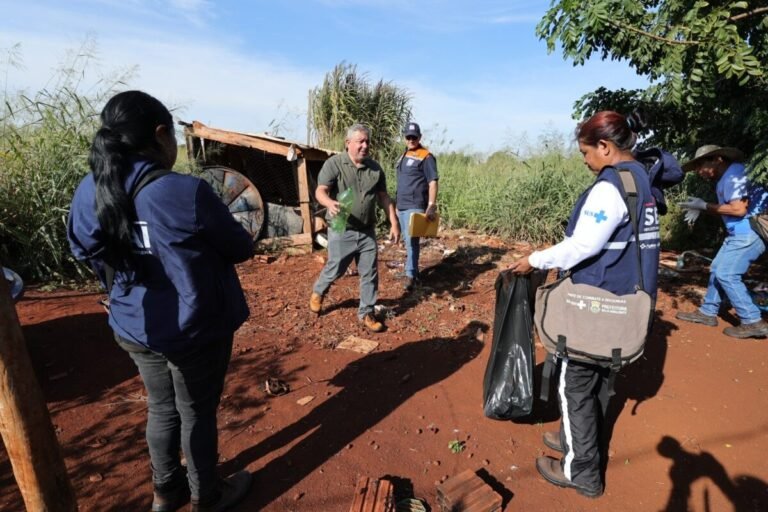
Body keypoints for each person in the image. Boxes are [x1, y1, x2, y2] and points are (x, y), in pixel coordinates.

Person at [67, 90, 253, 512]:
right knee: (196, 413)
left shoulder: (88, 190)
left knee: (161, 407)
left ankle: (166, 492)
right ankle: (207, 495)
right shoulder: (183, 192)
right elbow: (240, 247)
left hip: (135, 325)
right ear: (159, 135)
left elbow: (84, 248)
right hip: (195, 329)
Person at [509, 111, 661, 498]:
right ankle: (573, 437)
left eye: (586, 151)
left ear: (605, 147)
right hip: (626, 297)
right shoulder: (641, 177)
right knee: (594, 376)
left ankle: (582, 472)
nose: (584, 159)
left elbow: (583, 245)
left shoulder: (610, 186)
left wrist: (535, 259)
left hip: (598, 299)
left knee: (574, 381)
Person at [309, 124, 400, 332]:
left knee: (369, 272)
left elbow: (384, 197)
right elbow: (321, 191)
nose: (365, 145)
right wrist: (329, 203)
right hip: (342, 228)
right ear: (348, 143)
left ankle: (366, 312)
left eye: (367, 141)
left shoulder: (375, 169)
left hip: (367, 230)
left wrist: (394, 223)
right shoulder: (334, 164)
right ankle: (319, 291)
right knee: (336, 268)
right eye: (360, 141)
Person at [676, 145, 768, 338]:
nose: (699, 172)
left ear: (718, 159)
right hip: (739, 232)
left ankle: (753, 320)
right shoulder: (727, 176)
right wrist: (703, 208)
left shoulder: (734, 174)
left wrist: (704, 206)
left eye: (701, 165)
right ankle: (708, 312)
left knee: (727, 273)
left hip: (749, 232)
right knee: (717, 268)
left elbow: (738, 209)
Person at [395, 122, 439, 291]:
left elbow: (433, 182)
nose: (411, 139)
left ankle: (411, 275)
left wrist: (431, 205)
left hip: (415, 204)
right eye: (408, 137)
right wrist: (397, 204)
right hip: (402, 205)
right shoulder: (404, 155)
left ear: (419, 137)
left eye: (414, 137)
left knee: (411, 239)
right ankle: (411, 270)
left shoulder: (426, 156)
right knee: (407, 240)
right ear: (405, 138)